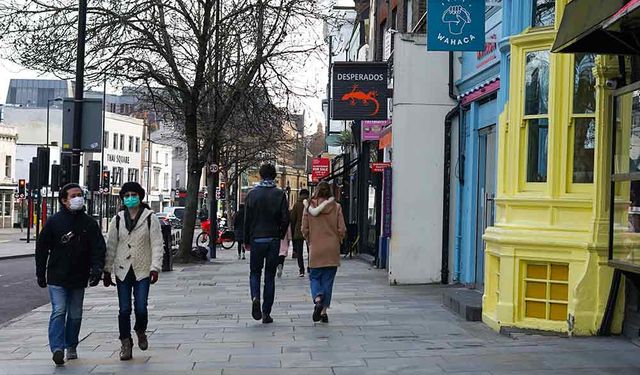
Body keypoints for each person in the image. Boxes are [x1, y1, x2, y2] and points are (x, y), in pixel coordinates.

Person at [35, 183, 106, 366]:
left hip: (78, 276)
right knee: (59, 310)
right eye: (73, 195)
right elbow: (42, 248)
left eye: (80, 195)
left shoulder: (89, 223)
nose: (78, 198)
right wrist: (40, 273)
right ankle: (57, 348)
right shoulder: (54, 221)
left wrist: (97, 269)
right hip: (57, 275)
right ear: (64, 200)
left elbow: (98, 248)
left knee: (75, 314)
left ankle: (71, 345)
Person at [104, 182, 164, 361]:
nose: (130, 198)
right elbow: (111, 245)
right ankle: (125, 342)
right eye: (127, 195)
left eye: (133, 194)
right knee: (124, 309)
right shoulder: (117, 219)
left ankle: (140, 329)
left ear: (140, 196)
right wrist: (107, 270)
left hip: (143, 268)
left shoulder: (149, 218)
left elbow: (157, 243)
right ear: (123, 198)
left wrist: (155, 267)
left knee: (141, 307)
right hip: (123, 269)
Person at [244, 163, 289, 324]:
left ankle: (255, 297)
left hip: (256, 238)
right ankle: (266, 313)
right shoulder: (279, 194)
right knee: (270, 276)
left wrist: (246, 240)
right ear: (275, 176)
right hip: (273, 239)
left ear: (261, 175)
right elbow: (285, 219)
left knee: (255, 272)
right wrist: (279, 235)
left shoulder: (252, 194)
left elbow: (247, 219)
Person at [302, 181, 346, 323]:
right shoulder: (337, 207)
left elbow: (304, 228)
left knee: (314, 277)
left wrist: (310, 240)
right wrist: (338, 240)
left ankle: (317, 299)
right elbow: (342, 229)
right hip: (332, 249)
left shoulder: (308, 207)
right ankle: (324, 312)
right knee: (328, 280)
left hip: (316, 248)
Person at [289, 189, 310, 277]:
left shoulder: (296, 205)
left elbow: (292, 219)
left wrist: (293, 230)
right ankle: (310, 267)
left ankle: (301, 270)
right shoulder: (310, 204)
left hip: (298, 230)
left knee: (299, 252)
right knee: (310, 251)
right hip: (310, 230)